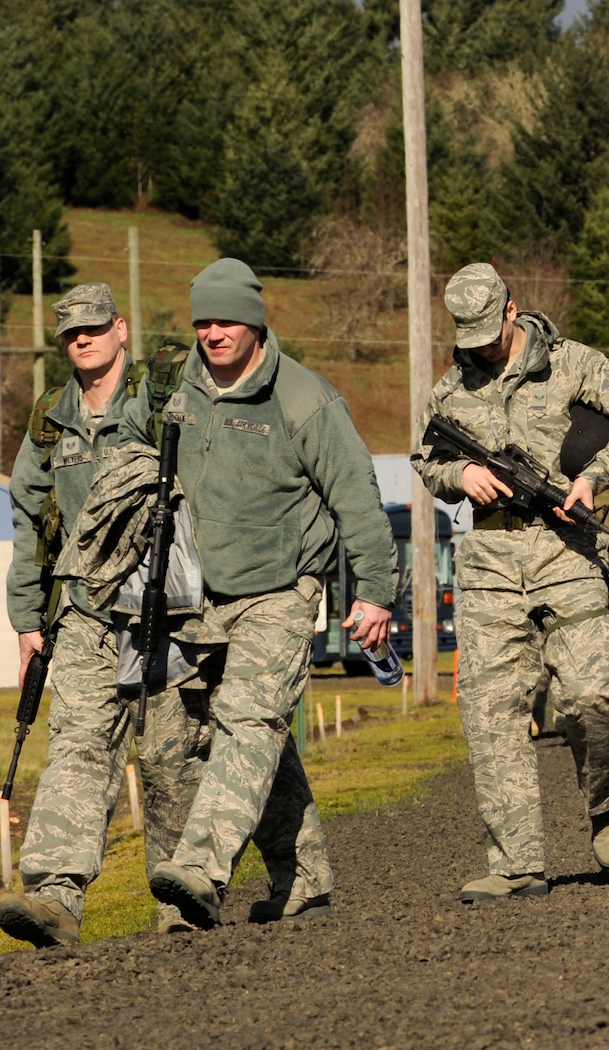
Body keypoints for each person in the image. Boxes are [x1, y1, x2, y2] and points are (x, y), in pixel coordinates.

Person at [140, 259, 396, 928]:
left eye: (225, 319)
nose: (212, 332)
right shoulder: (177, 393)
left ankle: (198, 873)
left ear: (254, 322)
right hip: (195, 600)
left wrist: (374, 593)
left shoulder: (305, 400)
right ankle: (303, 880)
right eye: (201, 320)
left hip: (281, 592)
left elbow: (358, 501)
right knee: (176, 749)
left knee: (250, 723)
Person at [410, 263, 609, 900]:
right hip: (492, 558)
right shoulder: (449, 391)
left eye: (486, 334)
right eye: (464, 338)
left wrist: (594, 477)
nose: (478, 350)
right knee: (491, 715)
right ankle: (516, 865)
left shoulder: (571, 363)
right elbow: (427, 459)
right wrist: (459, 478)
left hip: (568, 553)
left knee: (591, 695)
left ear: (511, 310)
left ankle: (602, 797)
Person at [0, 285, 190, 945]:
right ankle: (55, 898)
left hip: (166, 611)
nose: (83, 341)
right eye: (71, 334)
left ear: (121, 329)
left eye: (95, 329)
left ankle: (181, 903)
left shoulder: (163, 398)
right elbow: (29, 518)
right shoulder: (51, 421)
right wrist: (28, 618)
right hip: (83, 614)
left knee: (167, 757)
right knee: (77, 748)